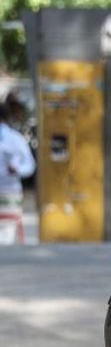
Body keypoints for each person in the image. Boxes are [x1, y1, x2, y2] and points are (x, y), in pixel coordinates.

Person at [0, 101, 36, 244]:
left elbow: (29, 166)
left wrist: (17, 169)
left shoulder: (15, 139)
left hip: (9, 193)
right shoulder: (16, 138)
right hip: (10, 192)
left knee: (6, 231)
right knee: (6, 233)